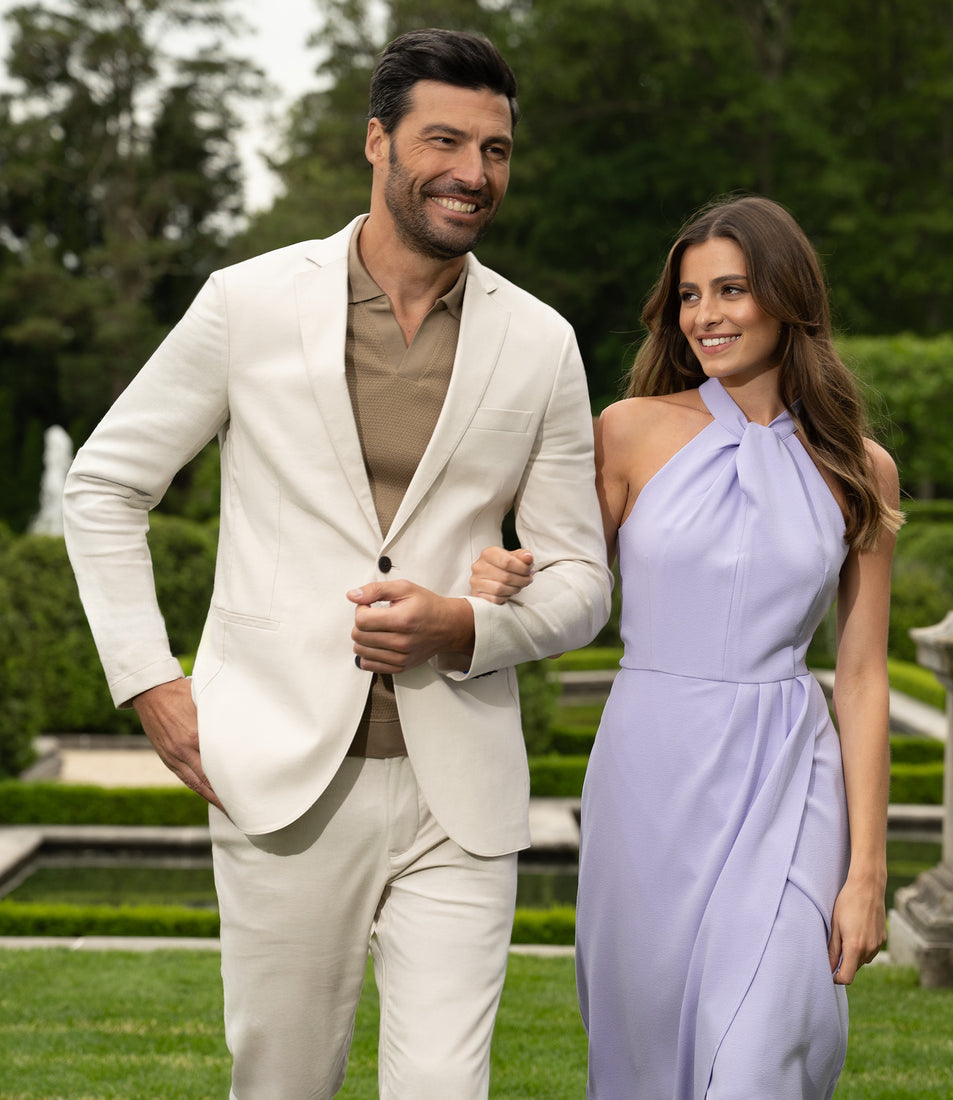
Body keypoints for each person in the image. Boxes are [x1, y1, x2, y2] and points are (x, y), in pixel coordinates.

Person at [63, 28, 610, 1100]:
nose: (471, 172)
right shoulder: (247, 303)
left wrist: (467, 624)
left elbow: (582, 578)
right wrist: (151, 684)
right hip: (277, 771)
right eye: (444, 140)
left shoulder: (539, 341)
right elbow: (102, 486)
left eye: (495, 150)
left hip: (460, 791)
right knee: (280, 1081)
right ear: (377, 141)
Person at [472, 195, 901, 1098]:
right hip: (651, 770)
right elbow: (563, 586)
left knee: (759, 1054)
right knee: (646, 1051)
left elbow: (862, 679)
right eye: (691, 295)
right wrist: (499, 578)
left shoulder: (860, 468)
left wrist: (867, 871)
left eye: (734, 290)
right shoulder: (627, 431)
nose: (706, 315)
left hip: (790, 772)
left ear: (788, 298)